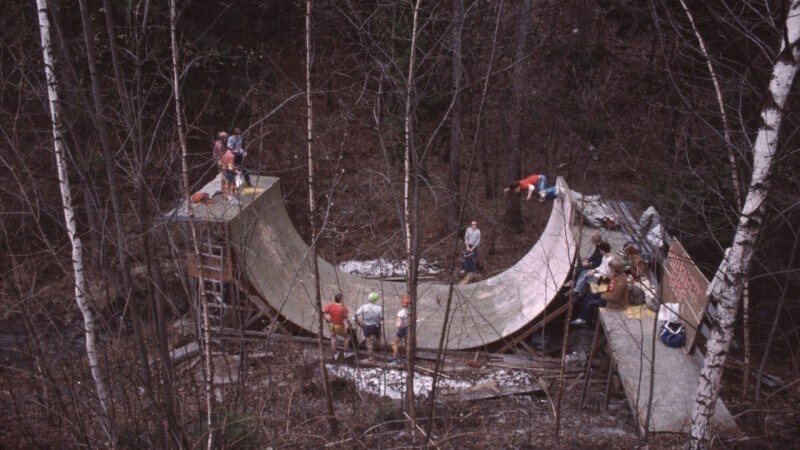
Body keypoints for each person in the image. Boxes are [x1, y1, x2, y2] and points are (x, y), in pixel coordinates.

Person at [571, 259, 630, 326]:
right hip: (609, 295)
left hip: (616, 303)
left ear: (614, 269)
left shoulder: (621, 282)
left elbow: (615, 298)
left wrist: (604, 295)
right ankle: (582, 318)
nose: (609, 269)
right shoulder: (616, 275)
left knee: (591, 304)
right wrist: (604, 282)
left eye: (610, 268)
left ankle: (589, 323)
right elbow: (611, 285)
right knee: (590, 296)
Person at [352, 292, 383, 362]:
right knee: (374, 339)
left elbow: (354, 317)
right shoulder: (380, 308)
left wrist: (360, 324)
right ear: (376, 299)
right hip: (375, 327)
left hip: (367, 326)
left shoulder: (364, 307)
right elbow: (381, 320)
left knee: (369, 344)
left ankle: (371, 358)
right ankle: (375, 341)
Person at [323, 293, 350, 358]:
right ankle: (345, 353)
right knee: (347, 337)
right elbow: (346, 318)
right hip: (339, 326)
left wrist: (326, 319)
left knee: (333, 339)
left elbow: (322, 312)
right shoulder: (343, 308)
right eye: (342, 298)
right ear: (340, 299)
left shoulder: (330, 306)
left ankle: (335, 354)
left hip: (331, 325)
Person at [390, 296, 410, 364]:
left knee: (394, 343)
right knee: (407, 344)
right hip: (410, 329)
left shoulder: (401, 312)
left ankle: (395, 359)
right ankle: (408, 360)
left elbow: (398, 323)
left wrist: (399, 329)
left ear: (402, 303)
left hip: (403, 329)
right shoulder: (412, 311)